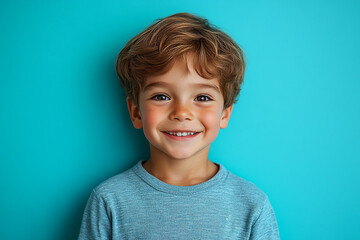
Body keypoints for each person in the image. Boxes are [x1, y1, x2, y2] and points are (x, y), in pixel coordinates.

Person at [78, 12, 279, 240]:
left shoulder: (252, 205)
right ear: (136, 112)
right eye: (161, 96)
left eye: (202, 97)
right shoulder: (109, 200)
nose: (182, 113)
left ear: (225, 114)